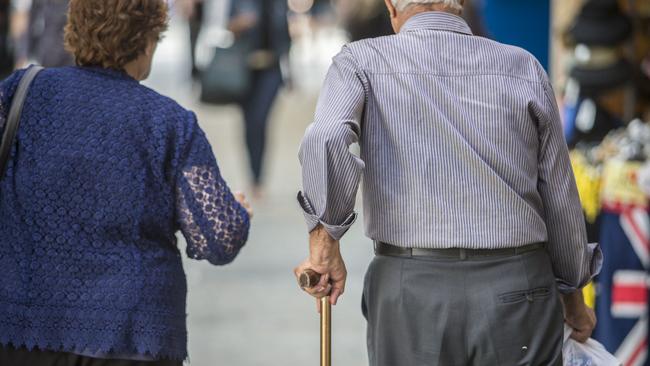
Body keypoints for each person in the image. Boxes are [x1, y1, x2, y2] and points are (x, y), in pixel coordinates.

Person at [294, 0, 601, 364]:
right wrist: (573, 297)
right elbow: (560, 197)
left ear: (392, 6)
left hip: (412, 290)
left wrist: (324, 242)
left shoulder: (361, 62)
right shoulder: (523, 66)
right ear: (460, 4)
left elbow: (327, 137)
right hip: (518, 289)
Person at [0, 1, 252, 365]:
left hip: (24, 331)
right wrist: (238, 213)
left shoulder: (19, 93)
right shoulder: (170, 123)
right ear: (147, 40)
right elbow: (219, 239)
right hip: (132, 336)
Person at [228, 0, 290, 196]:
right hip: (244, 71)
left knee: (260, 119)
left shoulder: (279, 4)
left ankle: (259, 178)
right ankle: (254, 177)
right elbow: (228, 26)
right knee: (249, 124)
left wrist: (291, 73)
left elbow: (286, 38)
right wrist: (240, 24)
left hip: (271, 70)